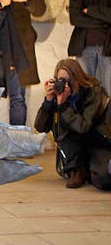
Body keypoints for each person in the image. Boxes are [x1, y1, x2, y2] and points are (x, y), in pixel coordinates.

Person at [34, 59, 111, 190]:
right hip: (72, 146)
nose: (64, 85)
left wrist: (64, 105)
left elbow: (83, 127)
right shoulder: (59, 95)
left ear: (77, 79)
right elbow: (41, 127)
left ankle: (88, 168)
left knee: (103, 181)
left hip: (96, 141)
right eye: (60, 80)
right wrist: (48, 101)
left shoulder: (93, 92)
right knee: (62, 120)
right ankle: (76, 169)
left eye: (67, 80)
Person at [68, 0, 111, 96]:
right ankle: (87, 121)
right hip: (84, 46)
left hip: (109, 47)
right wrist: (105, 20)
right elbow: (75, 17)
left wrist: (91, 11)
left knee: (109, 90)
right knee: (84, 90)